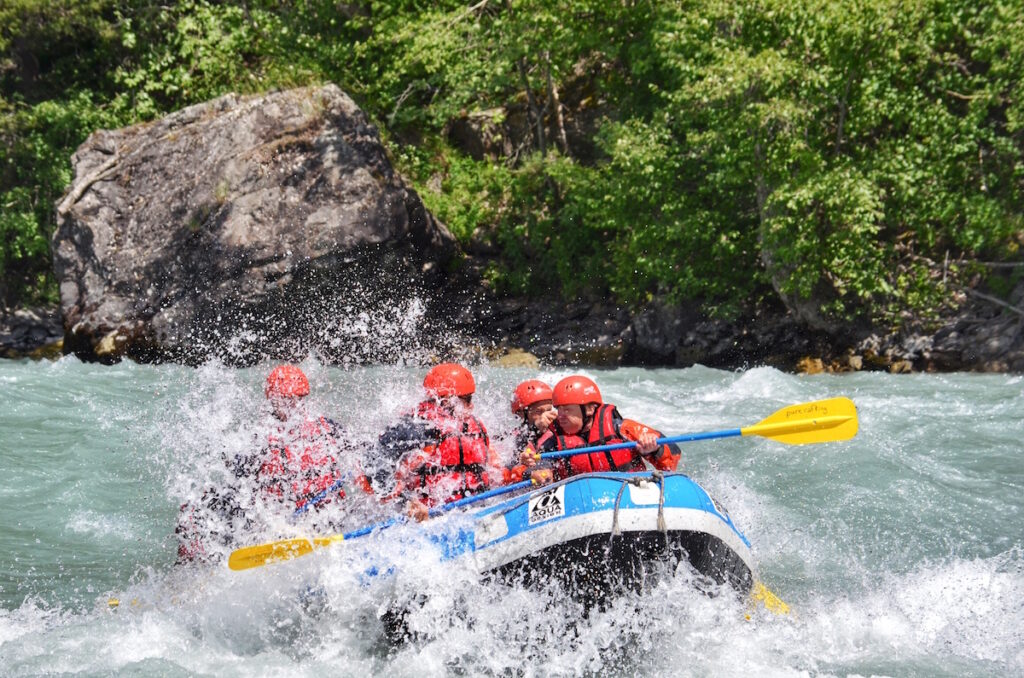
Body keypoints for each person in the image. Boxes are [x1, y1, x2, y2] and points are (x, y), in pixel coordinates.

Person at [175, 365, 369, 563]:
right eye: (286, 399)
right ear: (273, 401)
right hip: (282, 528)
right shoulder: (256, 442)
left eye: (299, 398)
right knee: (209, 505)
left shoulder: (328, 429)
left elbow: (363, 455)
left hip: (328, 521)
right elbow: (238, 492)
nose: (294, 405)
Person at [377, 363, 506, 521]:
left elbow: (497, 470)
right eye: (467, 399)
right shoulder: (418, 428)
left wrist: (526, 472)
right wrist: (408, 502)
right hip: (429, 518)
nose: (471, 405)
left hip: (477, 509)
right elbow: (376, 466)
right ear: (447, 401)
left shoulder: (474, 426)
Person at [526, 375, 681, 484]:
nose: (560, 416)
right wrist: (538, 472)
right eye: (559, 409)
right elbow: (541, 462)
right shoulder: (553, 439)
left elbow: (672, 454)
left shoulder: (622, 428)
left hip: (629, 489)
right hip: (581, 502)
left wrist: (653, 449)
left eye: (567, 410)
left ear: (589, 409)